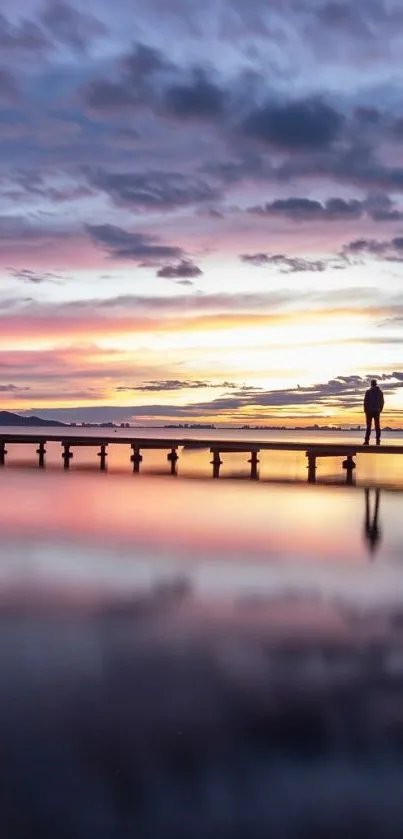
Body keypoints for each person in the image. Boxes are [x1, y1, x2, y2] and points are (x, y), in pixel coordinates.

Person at [363, 379, 384, 445]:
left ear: (371, 384)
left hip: (369, 411)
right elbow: (382, 402)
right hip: (377, 411)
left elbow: (365, 402)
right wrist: (380, 409)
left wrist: (365, 410)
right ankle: (378, 440)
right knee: (377, 426)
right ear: (376, 384)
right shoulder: (380, 392)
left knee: (369, 426)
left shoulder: (368, 392)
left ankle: (367, 441)